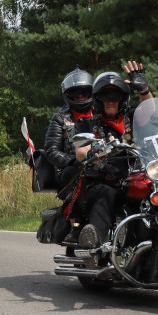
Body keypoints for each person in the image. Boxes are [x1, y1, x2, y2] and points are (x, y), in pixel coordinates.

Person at [75, 61, 153, 253]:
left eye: (115, 96)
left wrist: (144, 90)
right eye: (105, 97)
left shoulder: (132, 118)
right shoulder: (87, 124)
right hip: (102, 180)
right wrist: (92, 151)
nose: (110, 101)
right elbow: (80, 152)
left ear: (122, 99)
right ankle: (93, 244)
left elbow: (151, 112)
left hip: (134, 178)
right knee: (106, 193)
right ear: (97, 100)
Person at [44, 68, 95, 244]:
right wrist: (71, 160)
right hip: (70, 169)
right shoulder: (60, 119)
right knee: (74, 173)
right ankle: (76, 226)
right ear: (68, 95)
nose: (81, 97)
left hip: (101, 164)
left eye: (84, 92)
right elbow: (51, 150)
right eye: (75, 93)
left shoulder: (100, 115)